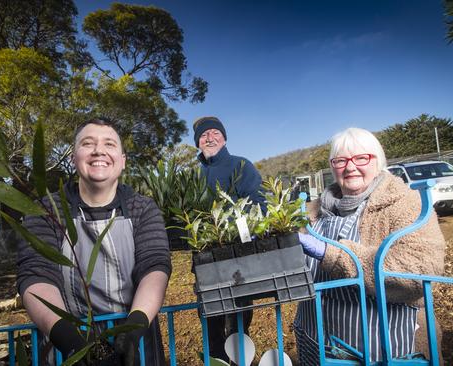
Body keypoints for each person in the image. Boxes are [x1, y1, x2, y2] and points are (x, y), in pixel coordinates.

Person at [16, 118, 171, 366]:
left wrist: (133, 331)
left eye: (109, 144)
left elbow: (154, 268)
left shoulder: (142, 208)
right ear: (73, 158)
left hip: (136, 345)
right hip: (67, 345)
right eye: (88, 144)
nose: (99, 150)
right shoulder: (47, 210)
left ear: (122, 161)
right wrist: (70, 342)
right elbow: (36, 276)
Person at [293, 127, 445, 364]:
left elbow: (419, 272)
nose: (350, 167)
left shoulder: (406, 204)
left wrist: (332, 255)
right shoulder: (311, 212)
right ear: (332, 167)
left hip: (382, 346)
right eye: (341, 160)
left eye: (361, 158)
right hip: (317, 340)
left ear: (379, 162)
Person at [193, 116, 266, 362]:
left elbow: (259, 205)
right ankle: (215, 359)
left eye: (215, 133)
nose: (209, 138)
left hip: (239, 261)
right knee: (211, 323)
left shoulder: (241, 166)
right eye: (204, 135)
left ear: (224, 138)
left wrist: (227, 228)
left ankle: (239, 360)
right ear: (197, 143)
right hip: (205, 262)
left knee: (238, 323)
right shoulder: (193, 175)